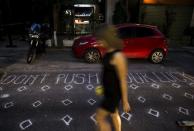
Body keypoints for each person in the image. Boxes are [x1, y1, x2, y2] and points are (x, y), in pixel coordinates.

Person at [95, 24, 131, 131]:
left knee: (100, 117)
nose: (98, 42)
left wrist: (125, 101)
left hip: (113, 95)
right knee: (114, 114)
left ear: (107, 38)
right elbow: (108, 73)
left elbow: (123, 80)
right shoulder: (108, 52)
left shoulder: (118, 56)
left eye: (100, 39)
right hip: (109, 91)